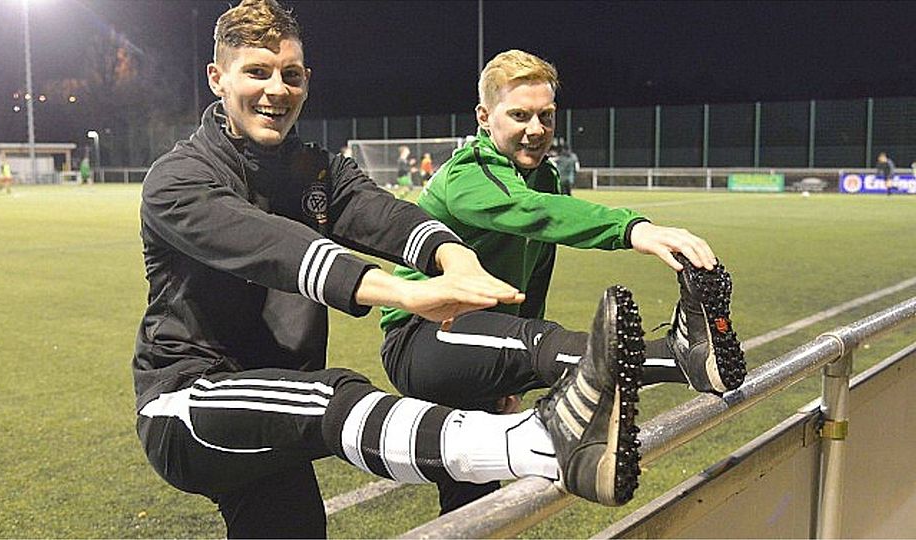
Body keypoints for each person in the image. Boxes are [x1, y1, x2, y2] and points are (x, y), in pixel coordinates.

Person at [133, 4, 648, 537]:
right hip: (191, 399)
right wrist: (400, 292)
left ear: (306, 81)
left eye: (289, 74)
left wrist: (454, 257)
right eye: (256, 72)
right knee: (331, 396)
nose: (276, 89)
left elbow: (382, 212)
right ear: (218, 78)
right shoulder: (177, 180)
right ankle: (541, 445)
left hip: (279, 411)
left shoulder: (317, 169)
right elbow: (274, 247)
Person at [379, 49, 745, 513]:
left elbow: (535, 272)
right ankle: (680, 357)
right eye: (519, 115)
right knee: (541, 344)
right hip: (423, 340)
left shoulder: (545, 176)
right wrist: (635, 229)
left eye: (545, 116)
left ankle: (685, 357)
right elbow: (532, 214)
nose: (536, 129)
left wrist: (508, 378)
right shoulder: (467, 174)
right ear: (483, 117)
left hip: (483, 343)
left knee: (470, 493)